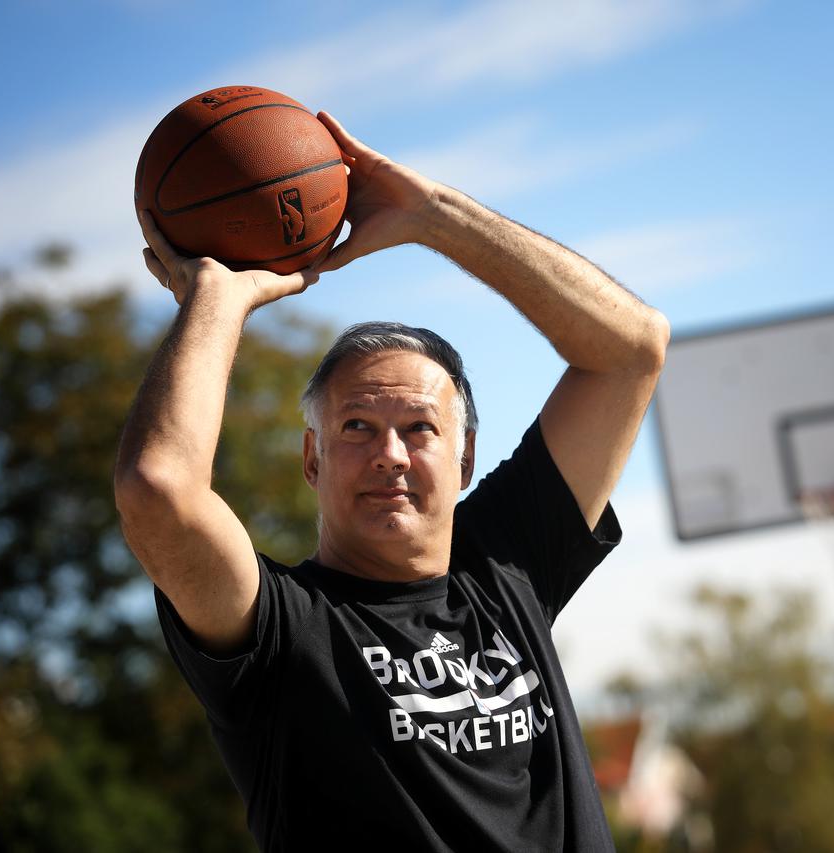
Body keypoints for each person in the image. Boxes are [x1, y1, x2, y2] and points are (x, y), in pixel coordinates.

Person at [114, 111, 669, 852]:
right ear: (311, 460)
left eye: (419, 428)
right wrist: (216, 294)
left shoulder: (508, 563)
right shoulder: (280, 631)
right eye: (356, 427)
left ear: (465, 459)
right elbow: (158, 488)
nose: (391, 454)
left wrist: (433, 215)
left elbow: (632, 349)